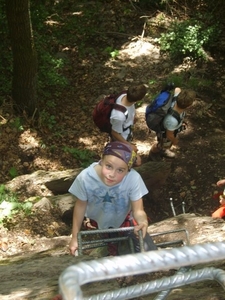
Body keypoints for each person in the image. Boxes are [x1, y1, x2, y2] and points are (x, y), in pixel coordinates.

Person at [68, 141, 157, 256]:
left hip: (125, 218)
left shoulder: (133, 179)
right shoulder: (86, 178)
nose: (112, 174)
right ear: (101, 160)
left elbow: (138, 210)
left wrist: (143, 222)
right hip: (101, 220)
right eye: (109, 166)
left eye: (120, 170)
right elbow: (80, 205)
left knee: (148, 252)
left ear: (127, 170)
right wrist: (75, 237)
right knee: (112, 247)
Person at [149, 88, 196, 161]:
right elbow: (169, 135)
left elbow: (177, 89)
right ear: (189, 106)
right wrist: (174, 140)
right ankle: (153, 153)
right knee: (161, 145)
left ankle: (163, 150)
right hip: (165, 133)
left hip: (170, 128)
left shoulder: (177, 99)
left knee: (165, 145)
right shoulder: (172, 120)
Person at [110, 84, 147, 166]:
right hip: (121, 139)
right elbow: (114, 133)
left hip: (126, 133)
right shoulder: (118, 116)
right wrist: (129, 145)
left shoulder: (124, 95)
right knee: (138, 162)